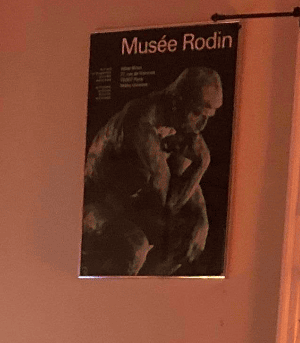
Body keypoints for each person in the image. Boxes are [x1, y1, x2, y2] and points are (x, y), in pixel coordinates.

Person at [81, 66, 224, 277]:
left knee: (191, 234)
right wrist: (202, 163)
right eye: (196, 113)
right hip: (96, 204)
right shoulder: (140, 121)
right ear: (177, 101)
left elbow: (182, 181)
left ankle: (148, 289)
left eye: (208, 116)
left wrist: (202, 218)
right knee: (134, 247)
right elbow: (168, 203)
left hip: (133, 204)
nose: (201, 125)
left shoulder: (182, 123)